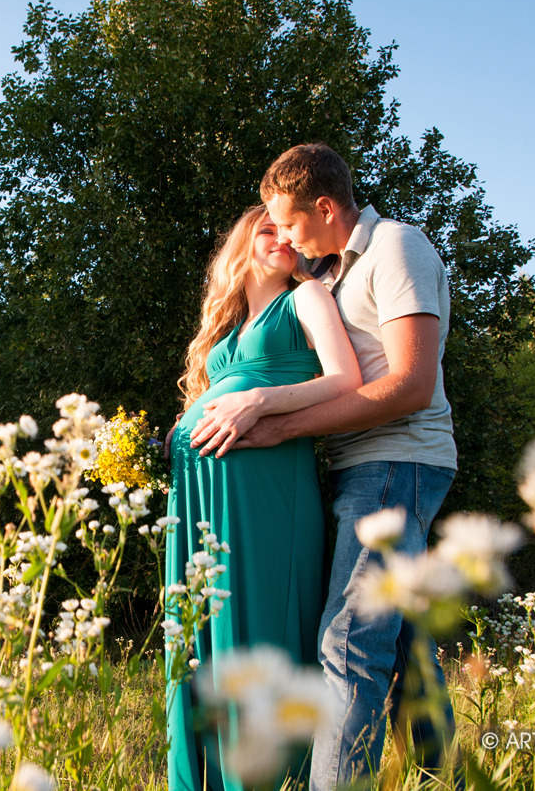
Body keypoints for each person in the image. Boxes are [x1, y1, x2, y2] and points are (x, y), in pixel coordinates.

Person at [191, 143, 459, 789]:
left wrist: (276, 424)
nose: (280, 234)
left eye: (287, 221)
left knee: (347, 644)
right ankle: (442, 775)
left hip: (397, 460)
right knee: (404, 648)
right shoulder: (332, 276)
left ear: (326, 207)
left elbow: (411, 384)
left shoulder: (396, 247)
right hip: (357, 465)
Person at [165, 204, 360, 791]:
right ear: (243, 244)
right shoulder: (224, 330)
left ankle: (264, 776)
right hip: (200, 490)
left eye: (287, 229)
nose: (282, 238)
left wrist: (259, 402)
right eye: (266, 230)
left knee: (259, 611)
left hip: (266, 484)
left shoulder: (307, 297)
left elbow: (345, 379)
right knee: (200, 624)